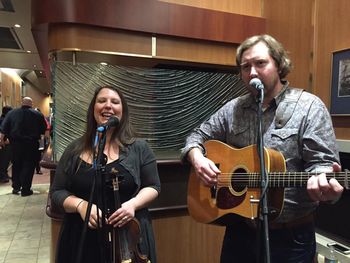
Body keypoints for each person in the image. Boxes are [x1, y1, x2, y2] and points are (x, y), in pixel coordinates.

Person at [181, 34, 344, 263]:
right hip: (240, 231)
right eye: (245, 66)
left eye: (260, 63)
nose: (252, 72)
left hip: (291, 238)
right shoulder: (233, 108)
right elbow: (196, 137)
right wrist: (197, 158)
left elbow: (322, 164)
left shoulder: (308, 107)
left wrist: (324, 181)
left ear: (278, 64)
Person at [50, 85, 161, 263]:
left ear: (122, 111)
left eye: (115, 102)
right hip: (82, 236)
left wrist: (132, 205)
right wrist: (81, 205)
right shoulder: (73, 150)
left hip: (128, 239)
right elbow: (57, 192)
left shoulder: (139, 147)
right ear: (93, 109)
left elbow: (153, 186)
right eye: (102, 101)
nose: (108, 105)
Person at [0, 97, 47, 196]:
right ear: (31, 103)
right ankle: (26, 189)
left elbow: (3, 129)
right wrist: (42, 145)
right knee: (29, 166)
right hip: (31, 144)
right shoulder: (38, 114)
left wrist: (2, 141)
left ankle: (16, 188)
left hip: (15, 144)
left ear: (22, 103)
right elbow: (44, 130)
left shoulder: (11, 113)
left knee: (16, 165)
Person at [0, 106, 13, 183]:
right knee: (4, 160)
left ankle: (4, 174)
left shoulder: (2, 119)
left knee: (5, 160)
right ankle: (2, 176)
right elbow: (2, 131)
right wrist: (3, 140)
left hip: (4, 142)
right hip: (4, 143)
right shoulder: (3, 120)